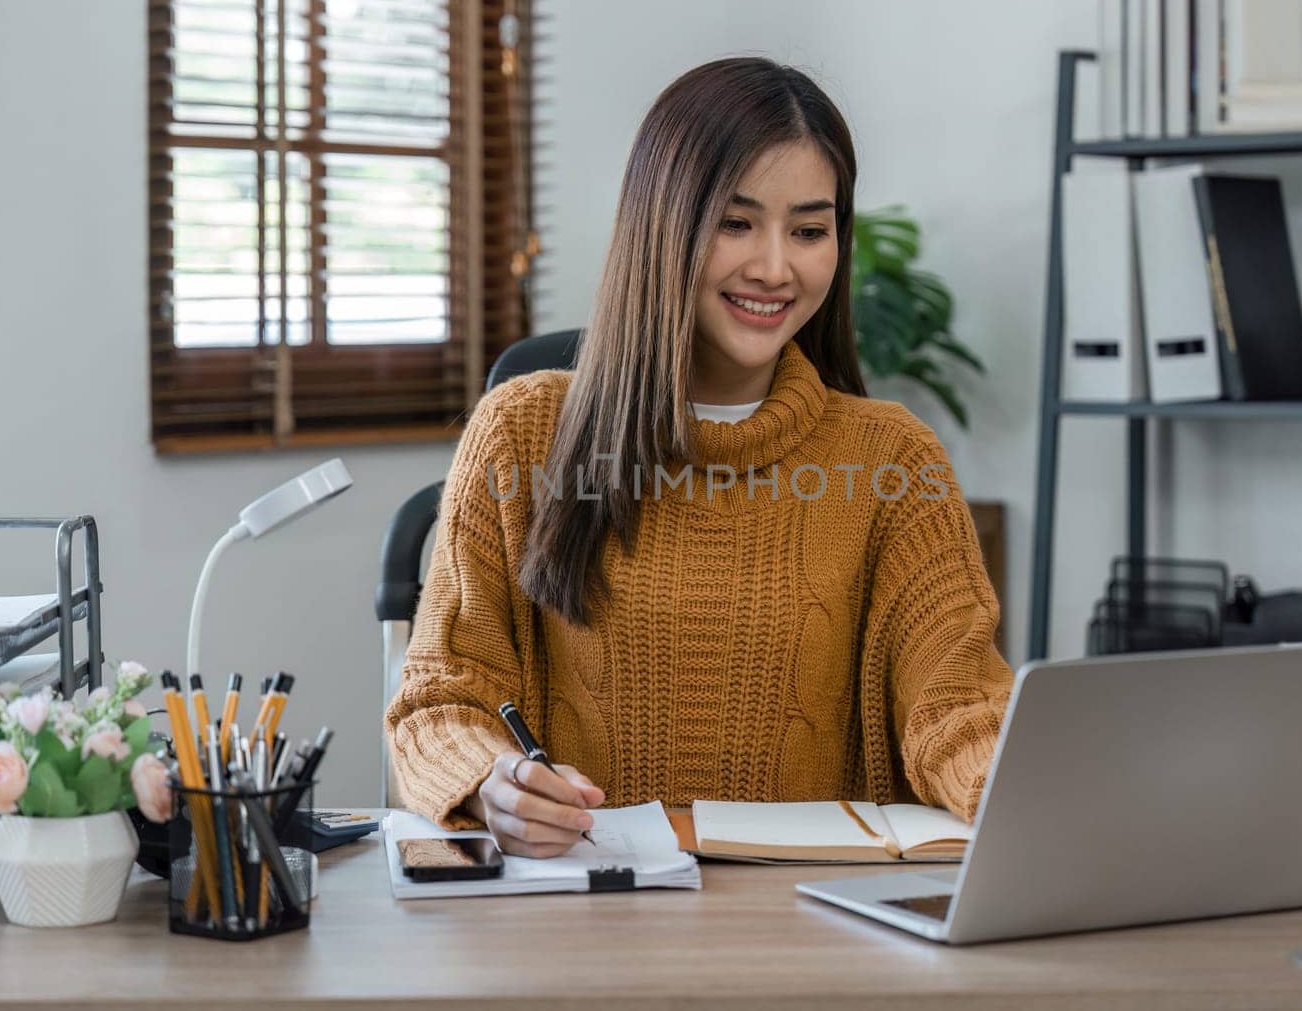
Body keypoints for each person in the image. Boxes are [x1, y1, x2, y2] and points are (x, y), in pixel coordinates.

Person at [385, 57, 1013, 858]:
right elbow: (440, 699)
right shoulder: (521, 433)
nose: (774, 267)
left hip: (817, 926)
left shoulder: (893, 459)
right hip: (578, 913)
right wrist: (492, 780)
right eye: (735, 221)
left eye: (810, 230)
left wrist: (1009, 780)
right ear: (663, 224)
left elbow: (955, 701)